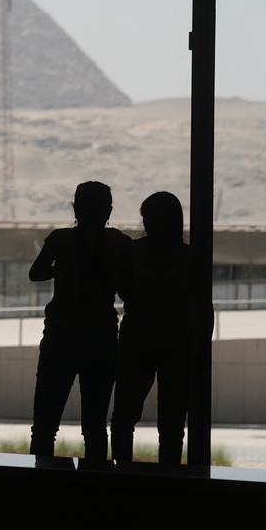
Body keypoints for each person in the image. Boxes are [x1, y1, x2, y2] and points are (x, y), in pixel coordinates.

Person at [29, 181, 133, 460]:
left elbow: (35, 273)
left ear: (75, 208)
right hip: (101, 337)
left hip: (61, 335)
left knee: (44, 427)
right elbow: (126, 290)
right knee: (95, 427)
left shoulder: (59, 240)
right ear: (108, 210)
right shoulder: (119, 243)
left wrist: (61, 269)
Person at [111, 191, 194, 464]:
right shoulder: (189, 257)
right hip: (177, 344)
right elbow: (199, 303)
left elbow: (124, 292)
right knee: (171, 423)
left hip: (137, 341)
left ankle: (121, 475)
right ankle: (169, 479)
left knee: (124, 418)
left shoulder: (132, 252)